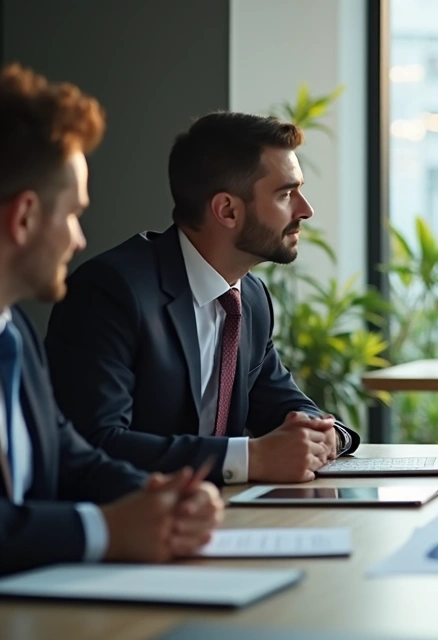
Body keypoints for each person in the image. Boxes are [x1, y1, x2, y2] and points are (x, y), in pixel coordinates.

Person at [44, 111, 359, 487]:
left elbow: (284, 405)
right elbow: (95, 442)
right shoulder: (112, 291)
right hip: (132, 527)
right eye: (286, 194)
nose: (305, 210)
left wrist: (326, 434)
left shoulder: (251, 298)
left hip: (218, 518)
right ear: (227, 210)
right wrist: (250, 458)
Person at [0, 63, 222, 575]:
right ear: (26, 217)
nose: (79, 240)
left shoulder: (14, 335)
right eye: (74, 214)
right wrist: (106, 531)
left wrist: (162, 497)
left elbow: (70, 457)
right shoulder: (101, 292)